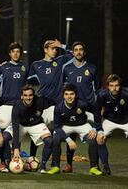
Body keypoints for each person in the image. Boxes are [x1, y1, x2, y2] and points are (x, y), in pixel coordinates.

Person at [26, 39, 72, 167]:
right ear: (45, 50)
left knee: (54, 133)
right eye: (52, 48)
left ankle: (54, 162)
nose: (55, 50)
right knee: (36, 130)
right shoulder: (36, 65)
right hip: (41, 103)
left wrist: (61, 45)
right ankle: (32, 158)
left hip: (56, 103)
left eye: (56, 49)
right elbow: (28, 81)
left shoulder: (60, 61)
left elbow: (76, 54)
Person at [61, 42, 100, 172]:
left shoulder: (92, 68)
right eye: (76, 50)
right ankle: (69, 165)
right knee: (71, 135)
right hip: (72, 107)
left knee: (94, 136)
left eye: (81, 50)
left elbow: (98, 89)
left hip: (88, 108)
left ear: (84, 52)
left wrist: (97, 105)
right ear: (73, 52)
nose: (78, 52)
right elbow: (63, 87)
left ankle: (94, 165)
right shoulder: (67, 68)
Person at [48, 83, 102, 175]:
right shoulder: (59, 107)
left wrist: (94, 128)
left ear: (76, 95)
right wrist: (68, 140)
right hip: (66, 126)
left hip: (82, 125)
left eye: (72, 94)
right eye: (66, 94)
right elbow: (57, 127)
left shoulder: (83, 104)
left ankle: (93, 167)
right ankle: (56, 166)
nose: (69, 97)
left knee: (93, 139)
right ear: (63, 95)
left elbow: (97, 113)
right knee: (56, 139)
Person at [96, 74, 128, 176]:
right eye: (111, 85)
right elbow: (97, 113)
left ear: (120, 86)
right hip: (109, 120)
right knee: (99, 139)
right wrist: (99, 130)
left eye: (116, 85)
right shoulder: (102, 95)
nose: (114, 88)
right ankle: (106, 168)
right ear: (108, 86)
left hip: (127, 121)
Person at [3, 85, 53, 174]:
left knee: (49, 141)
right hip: (20, 125)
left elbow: (55, 102)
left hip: (36, 124)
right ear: (22, 96)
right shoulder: (17, 106)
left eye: (30, 95)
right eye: (25, 95)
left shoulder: (41, 101)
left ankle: (43, 167)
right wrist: (16, 149)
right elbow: (15, 127)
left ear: (34, 95)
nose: (28, 98)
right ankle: (7, 165)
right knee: (5, 137)